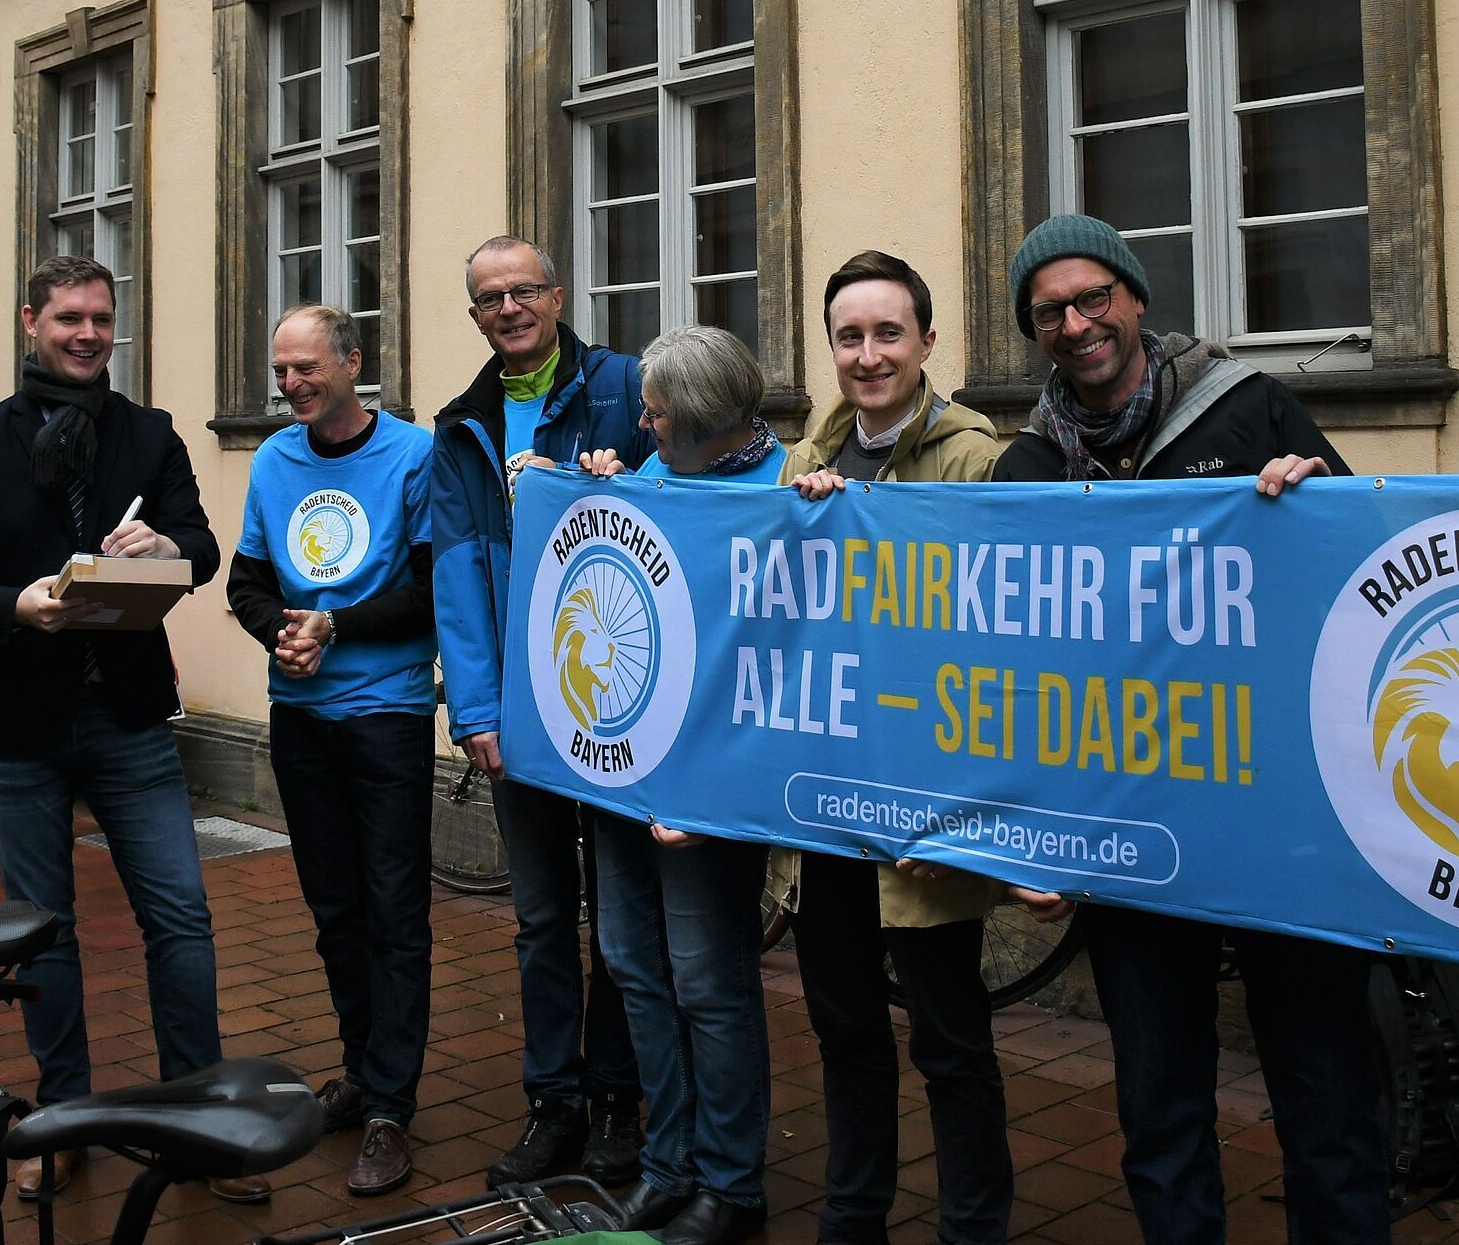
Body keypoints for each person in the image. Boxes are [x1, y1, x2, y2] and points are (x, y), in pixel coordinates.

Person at [988, 215, 1391, 1245]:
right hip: (1133, 834)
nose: (1077, 324)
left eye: (1093, 298)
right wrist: (1037, 831)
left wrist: (1320, 506)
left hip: (1281, 821)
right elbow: (1012, 668)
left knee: (1327, 1097)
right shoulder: (1026, 470)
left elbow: (1361, 584)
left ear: (1135, 297)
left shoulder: (1250, 408)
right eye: (1049, 311)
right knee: (1160, 1107)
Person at [0, 256, 259, 1204]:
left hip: (127, 719)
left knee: (180, 918)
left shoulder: (149, 434)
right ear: (32, 321)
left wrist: (167, 545)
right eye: (70, 317)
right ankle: (63, 1121)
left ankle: (196, 1118)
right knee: (44, 933)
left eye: (102, 318)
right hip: (17, 728)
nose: (89, 334)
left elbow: (201, 547)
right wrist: (14, 606)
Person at [778, 252, 1015, 1245]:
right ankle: (854, 1216)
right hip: (827, 801)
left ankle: (973, 1227)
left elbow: (999, 639)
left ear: (926, 342)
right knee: (844, 1028)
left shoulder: (976, 459)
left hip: (924, 799)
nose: (868, 355)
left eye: (888, 333)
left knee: (949, 1035)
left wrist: (963, 805)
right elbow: (775, 613)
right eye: (849, 336)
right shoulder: (805, 457)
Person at [431, 236, 649, 1186]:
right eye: (491, 298)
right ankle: (553, 1103)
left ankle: (616, 1102)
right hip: (520, 714)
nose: (509, 308)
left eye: (524, 291)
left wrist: (628, 482)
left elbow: (691, 490)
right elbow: (455, 578)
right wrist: (476, 709)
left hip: (615, 703)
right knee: (543, 920)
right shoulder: (463, 424)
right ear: (475, 315)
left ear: (559, 296)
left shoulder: (622, 387)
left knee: (623, 921)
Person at [572, 323, 779, 1245]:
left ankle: (730, 1183)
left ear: (700, 420)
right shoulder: (654, 474)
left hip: (705, 794)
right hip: (621, 774)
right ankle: (670, 1164)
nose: (643, 425)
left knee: (706, 982)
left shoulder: (782, 492)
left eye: (657, 415)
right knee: (633, 967)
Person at [227, 305, 436, 1196]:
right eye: (282, 371)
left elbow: (431, 588)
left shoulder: (414, 454)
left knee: (395, 914)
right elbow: (246, 580)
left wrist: (334, 626)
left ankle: (391, 1107)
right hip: (301, 718)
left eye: (307, 367)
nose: (292, 385)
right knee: (335, 911)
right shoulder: (275, 460)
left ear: (354, 361)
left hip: (386, 715)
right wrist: (280, 632)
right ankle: (361, 1069)